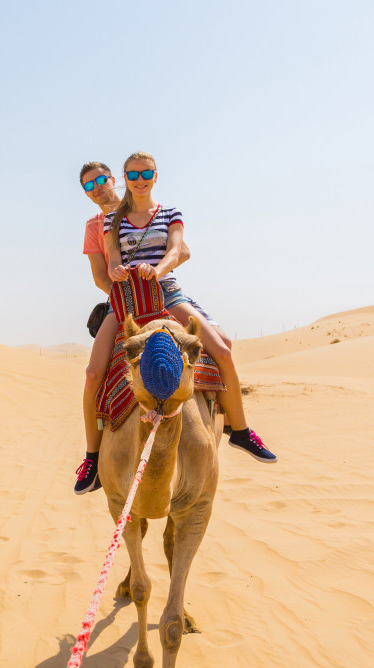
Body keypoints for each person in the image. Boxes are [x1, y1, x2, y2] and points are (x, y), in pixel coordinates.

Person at [74, 155, 277, 494]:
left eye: (101, 180)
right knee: (94, 374)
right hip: (125, 299)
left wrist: (158, 271)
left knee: (222, 347)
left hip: (165, 291)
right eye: (88, 186)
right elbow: (103, 273)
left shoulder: (163, 212)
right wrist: (124, 285)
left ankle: (238, 428)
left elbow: (180, 251)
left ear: (116, 178)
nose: (97, 188)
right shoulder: (101, 224)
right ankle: (92, 458)